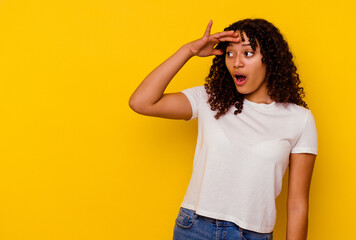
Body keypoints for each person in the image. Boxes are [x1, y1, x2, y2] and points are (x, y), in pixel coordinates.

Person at [129, 18, 318, 240]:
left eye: (248, 53)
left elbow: (297, 205)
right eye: (230, 53)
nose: (237, 62)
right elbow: (141, 102)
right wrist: (188, 50)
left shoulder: (299, 119)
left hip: (253, 235)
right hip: (195, 228)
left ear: (271, 60)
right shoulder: (210, 98)